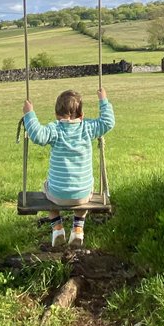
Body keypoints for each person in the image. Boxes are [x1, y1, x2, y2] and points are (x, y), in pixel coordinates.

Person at [22, 86, 114, 248]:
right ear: (82, 115)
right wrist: (103, 100)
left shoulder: (54, 129)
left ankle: (57, 228)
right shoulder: (88, 127)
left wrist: (29, 113)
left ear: (57, 115)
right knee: (83, 190)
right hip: (82, 194)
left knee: (46, 188)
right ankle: (78, 229)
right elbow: (108, 122)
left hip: (57, 194)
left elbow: (37, 135)